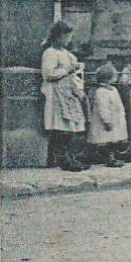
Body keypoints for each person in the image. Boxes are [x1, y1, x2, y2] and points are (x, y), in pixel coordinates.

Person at [40, 20, 87, 171]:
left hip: (68, 93)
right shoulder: (50, 53)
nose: (69, 40)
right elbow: (48, 74)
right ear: (59, 36)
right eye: (67, 37)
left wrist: (77, 72)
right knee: (61, 128)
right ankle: (63, 160)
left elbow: (75, 72)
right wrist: (67, 70)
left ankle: (70, 157)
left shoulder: (67, 54)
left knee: (71, 127)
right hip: (56, 94)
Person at [87, 62, 129, 167]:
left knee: (114, 140)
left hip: (116, 119)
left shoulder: (112, 89)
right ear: (108, 78)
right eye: (114, 76)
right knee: (105, 141)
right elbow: (103, 108)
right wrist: (106, 121)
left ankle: (113, 157)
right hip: (106, 121)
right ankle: (109, 159)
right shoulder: (101, 91)